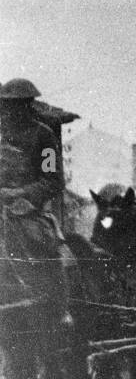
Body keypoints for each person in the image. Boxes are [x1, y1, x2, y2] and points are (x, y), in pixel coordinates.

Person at [0, 78, 76, 325]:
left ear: (29, 104)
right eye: (8, 104)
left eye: (19, 104)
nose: (12, 110)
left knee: (41, 239)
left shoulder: (43, 137)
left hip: (28, 210)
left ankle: (60, 306)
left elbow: (52, 180)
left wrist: (21, 194)